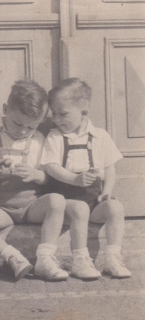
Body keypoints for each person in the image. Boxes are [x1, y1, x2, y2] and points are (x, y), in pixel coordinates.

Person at [0, 79, 69, 282]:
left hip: (31, 205)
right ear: (5, 109)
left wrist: (36, 175)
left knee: (56, 200)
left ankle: (45, 259)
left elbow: (48, 175)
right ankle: (13, 257)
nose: (22, 131)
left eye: (30, 127)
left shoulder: (38, 138)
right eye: (17, 123)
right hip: (1, 208)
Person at [41, 78, 131, 279]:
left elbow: (109, 168)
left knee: (116, 208)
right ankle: (80, 260)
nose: (56, 119)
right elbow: (51, 167)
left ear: (83, 112)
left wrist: (106, 192)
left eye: (63, 114)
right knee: (80, 209)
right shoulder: (55, 137)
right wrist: (74, 179)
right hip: (66, 204)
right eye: (53, 114)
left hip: (93, 201)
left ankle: (112, 257)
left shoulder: (100, 136)